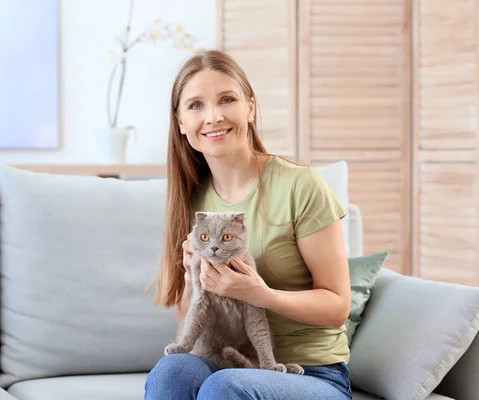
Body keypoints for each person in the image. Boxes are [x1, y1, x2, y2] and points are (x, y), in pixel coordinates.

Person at [145, 49, 352, 400]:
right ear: (180, 122)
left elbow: (337, 307)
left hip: (311, 374)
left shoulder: (299, 185)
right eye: (196, 105)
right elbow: (188, 313)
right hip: (224, 361)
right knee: (173, 371)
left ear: (250, 108)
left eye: (227, 99)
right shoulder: (191, 201)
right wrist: (190, 273)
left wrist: (261, 295)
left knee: (223, 387)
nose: (213, 116)